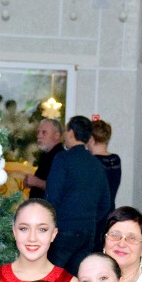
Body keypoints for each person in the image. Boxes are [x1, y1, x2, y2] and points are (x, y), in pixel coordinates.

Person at [45, 116, 112, 273]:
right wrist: (90, 219)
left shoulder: (63, 159)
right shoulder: (96, 163)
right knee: (77, 278)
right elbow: (105, 203)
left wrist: (49, 225)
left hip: (63, 229)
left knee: (54, 277)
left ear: (71, 133)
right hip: (88, 231)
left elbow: (52, 197)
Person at [24, 117, 63, 200]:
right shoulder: (47, 155)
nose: (39, 136)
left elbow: (59, 187)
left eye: (44, 132)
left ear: (56, 135)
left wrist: (36, 182)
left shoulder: (61, 157)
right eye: (38, 132)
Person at [88, 117, 121, 206]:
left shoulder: (92, 162)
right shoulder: (116, 159)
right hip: (111, 209)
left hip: (95, 210)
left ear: (91, 139)